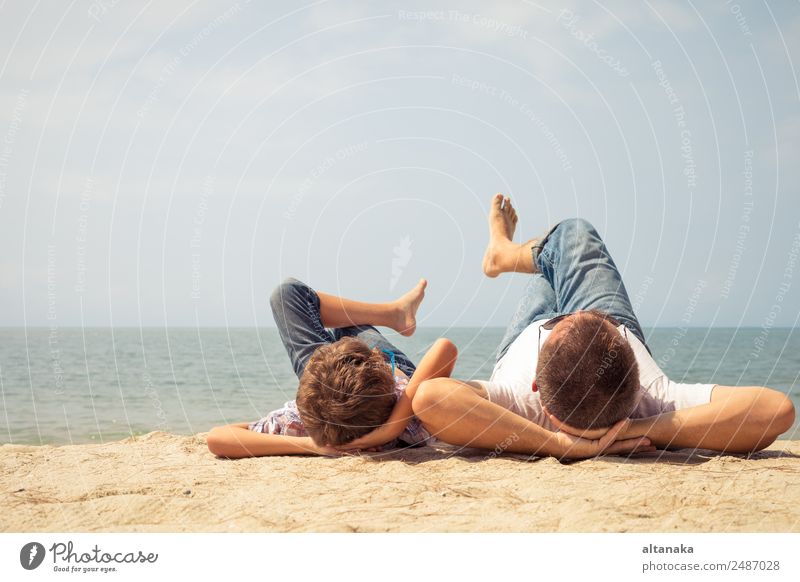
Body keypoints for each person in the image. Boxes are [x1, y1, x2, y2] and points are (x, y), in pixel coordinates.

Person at [396, 194, 795, 458]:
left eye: (571, 323)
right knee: (570, 243)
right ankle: (506, 255)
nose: (574, 314)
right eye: (592, 320)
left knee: (567, 244)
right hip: (614, 370)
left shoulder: (521, 402)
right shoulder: (655, 396)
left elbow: (430, 398)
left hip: (526, 333)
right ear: (634, 366)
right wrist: (637, 428)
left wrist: (558, 445)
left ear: (536, 383)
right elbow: (775, 410)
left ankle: (500, 252)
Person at [206, 277, 458, 458]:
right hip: (381, 385)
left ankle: (392, 314)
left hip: (329, 389)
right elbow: (444, 350)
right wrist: (389, 429)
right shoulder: (414, 421)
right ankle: (394, 315)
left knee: (288, 294)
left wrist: (312, 444)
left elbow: (218, 438)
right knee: (348, 328)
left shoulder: (306, 420)